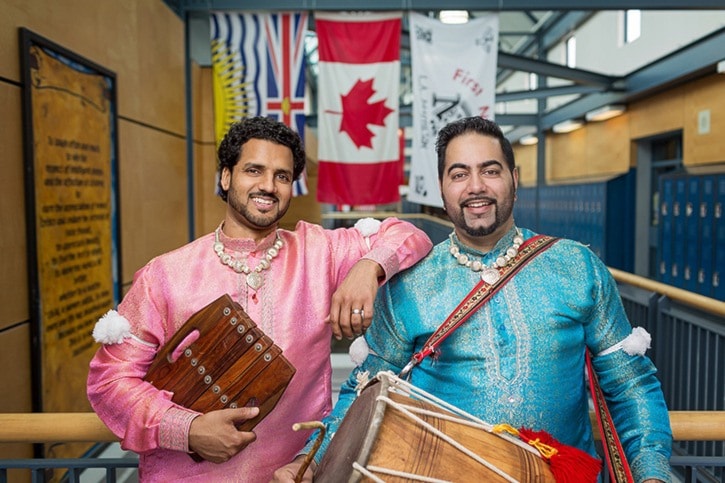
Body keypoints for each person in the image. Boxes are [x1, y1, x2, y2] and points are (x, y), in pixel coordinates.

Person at [274, 116, 672, 483]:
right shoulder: (411, 283)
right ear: (443, 187)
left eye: (490, 170)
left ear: (514, 179)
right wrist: (309, 461)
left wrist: (652, 471)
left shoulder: (575, 266)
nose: (475, 186)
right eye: (459, 174)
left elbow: (630, 384)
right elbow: (362, 391)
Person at [86, 116, 433, 482]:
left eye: (282, 176)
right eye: (254, 170)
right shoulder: (167, 275)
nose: (268, 186)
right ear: (225, 177)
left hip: (295, 474)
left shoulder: (319, 252)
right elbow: (109, 382)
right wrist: (187, 430)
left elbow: (408, 233)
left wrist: (368, 267)